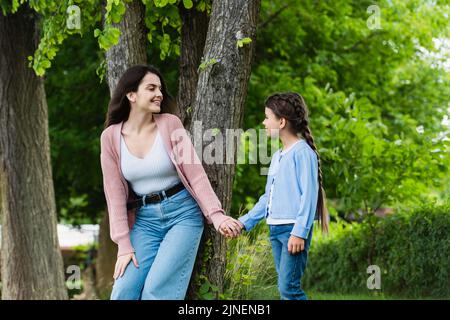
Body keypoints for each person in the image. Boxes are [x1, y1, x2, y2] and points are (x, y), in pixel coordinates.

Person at [100, 65, 241, 300]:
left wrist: (216, 215)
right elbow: (114, 196)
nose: (160, 94)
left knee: (157, 290)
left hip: (182, 215)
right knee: (123, 291)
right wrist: (123, 244)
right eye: (151, 88)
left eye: (160, 89)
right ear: (131, 95)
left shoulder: (169, 124)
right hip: (144, 222)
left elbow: (195, 174)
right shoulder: (110, 138)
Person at [236, 92, 329, 300]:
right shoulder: (278, 156)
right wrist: (244, 222)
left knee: (289, 289)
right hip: (275, 228)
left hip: (291, 230)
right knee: (284, 289)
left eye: (267, 117)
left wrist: (299, 232)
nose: (263, 122)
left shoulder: (303, 153)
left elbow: (309, 196)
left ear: (281, 122)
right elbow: (267, 197)